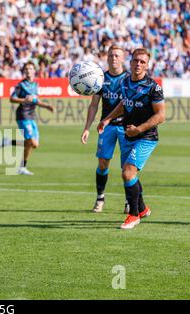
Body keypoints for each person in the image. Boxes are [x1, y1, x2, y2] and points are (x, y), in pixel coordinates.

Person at [97, 48, 165, 230]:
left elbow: (161, 116)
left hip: (146, 137)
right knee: (130, 174)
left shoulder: (153, 88)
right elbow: (123, 104)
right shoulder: (126, 82)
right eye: (136, 60)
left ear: (147, 65)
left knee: (127, 173)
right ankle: (142, 209)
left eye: (143, 62)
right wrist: (107, 119)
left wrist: (139, 129)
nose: (138, 64)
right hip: (129, 135)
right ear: (131, 62)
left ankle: (133, 215)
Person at [81, 45, 129, 213]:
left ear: (123, 58)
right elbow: (94, 105)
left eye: (117, 55)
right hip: (106, 127)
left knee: (127, 167)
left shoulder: (130, 79)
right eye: (111, 55)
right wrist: (87, 128)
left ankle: (128, 201)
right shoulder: (100, 79)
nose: (113, 58)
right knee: (102, 163)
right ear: (107, 58)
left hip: (126, 127)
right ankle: (100, 198)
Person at [0, 61, 54, 175]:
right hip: (23, 115)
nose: (28, 71)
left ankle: (8, 142)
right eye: (26, 69)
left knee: (34, 144)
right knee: (31, 142)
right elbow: (12, 98)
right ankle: (22, 167)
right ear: (24, 71)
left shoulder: (35, 85)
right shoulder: (21, 85)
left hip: (31, 116)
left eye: (30, 69)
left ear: (34, 71)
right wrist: (23, 100)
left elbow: (35, 100)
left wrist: (47, 106)